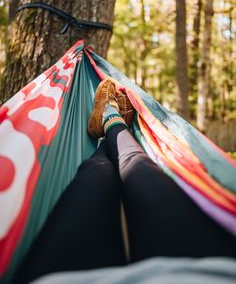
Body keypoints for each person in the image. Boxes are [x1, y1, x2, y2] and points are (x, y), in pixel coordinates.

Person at [12, 79, 236, 284]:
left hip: (62, 277)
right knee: (137, 162)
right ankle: (112, 121)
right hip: (209, 270)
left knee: (97, 170)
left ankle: (108, 121)